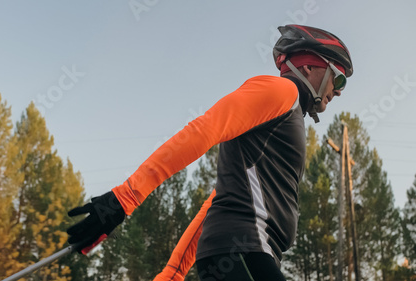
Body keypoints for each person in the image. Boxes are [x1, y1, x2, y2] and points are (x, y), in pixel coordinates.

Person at [66, 24, 353, 280]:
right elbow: (204, 129)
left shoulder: (285, 120)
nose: (338, 91)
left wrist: (173, 273)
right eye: (338, 79)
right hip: (245, 248)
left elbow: (219, 199)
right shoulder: (280, 91)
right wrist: (125, 197)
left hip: (244, 253)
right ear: (309, 66)